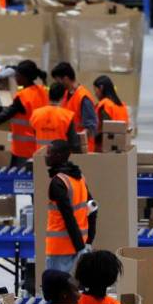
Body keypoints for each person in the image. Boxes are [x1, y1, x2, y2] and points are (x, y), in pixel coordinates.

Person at [0, 59, 47, 167]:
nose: (15, 78)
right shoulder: (42, 91)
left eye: (17, 75)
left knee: (18, 181)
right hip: (40, 147)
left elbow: (3, 116)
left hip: (24, 151)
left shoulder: (23, 97)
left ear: (25, 78)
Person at [43, 140, 96, 273]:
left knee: (56, 290)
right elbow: (93, 207)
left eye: (49, 153)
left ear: (60, 155)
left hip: (60, 249)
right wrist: (88, 241)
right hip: (78, 244)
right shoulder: (79, 178)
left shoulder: (58, 182)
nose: (46, 156)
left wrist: (81, 249)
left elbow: (68, 217)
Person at [52, 62, 99, 150]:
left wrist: (76, 140)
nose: (57, 84)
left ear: (65, 79)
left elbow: (91, 127)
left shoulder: (83, 97)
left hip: (82, 150)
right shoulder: (66, 94)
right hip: (70, 148)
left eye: (58, 81)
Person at [31, 83, 82, 151]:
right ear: (63, 97)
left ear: (48, 95)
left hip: (40, 156)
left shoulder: (35, 114)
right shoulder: (67, 116)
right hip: (60, 157)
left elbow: (35, 135)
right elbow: (74, 144)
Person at [91, 75, 131, 152]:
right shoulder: (122, 106)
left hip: (104, 149)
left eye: (95, 90)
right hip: (121, 147)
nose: (95, 93)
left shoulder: (105, 105)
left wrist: (89, 137)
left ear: (101, 88)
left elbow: (105, 131)